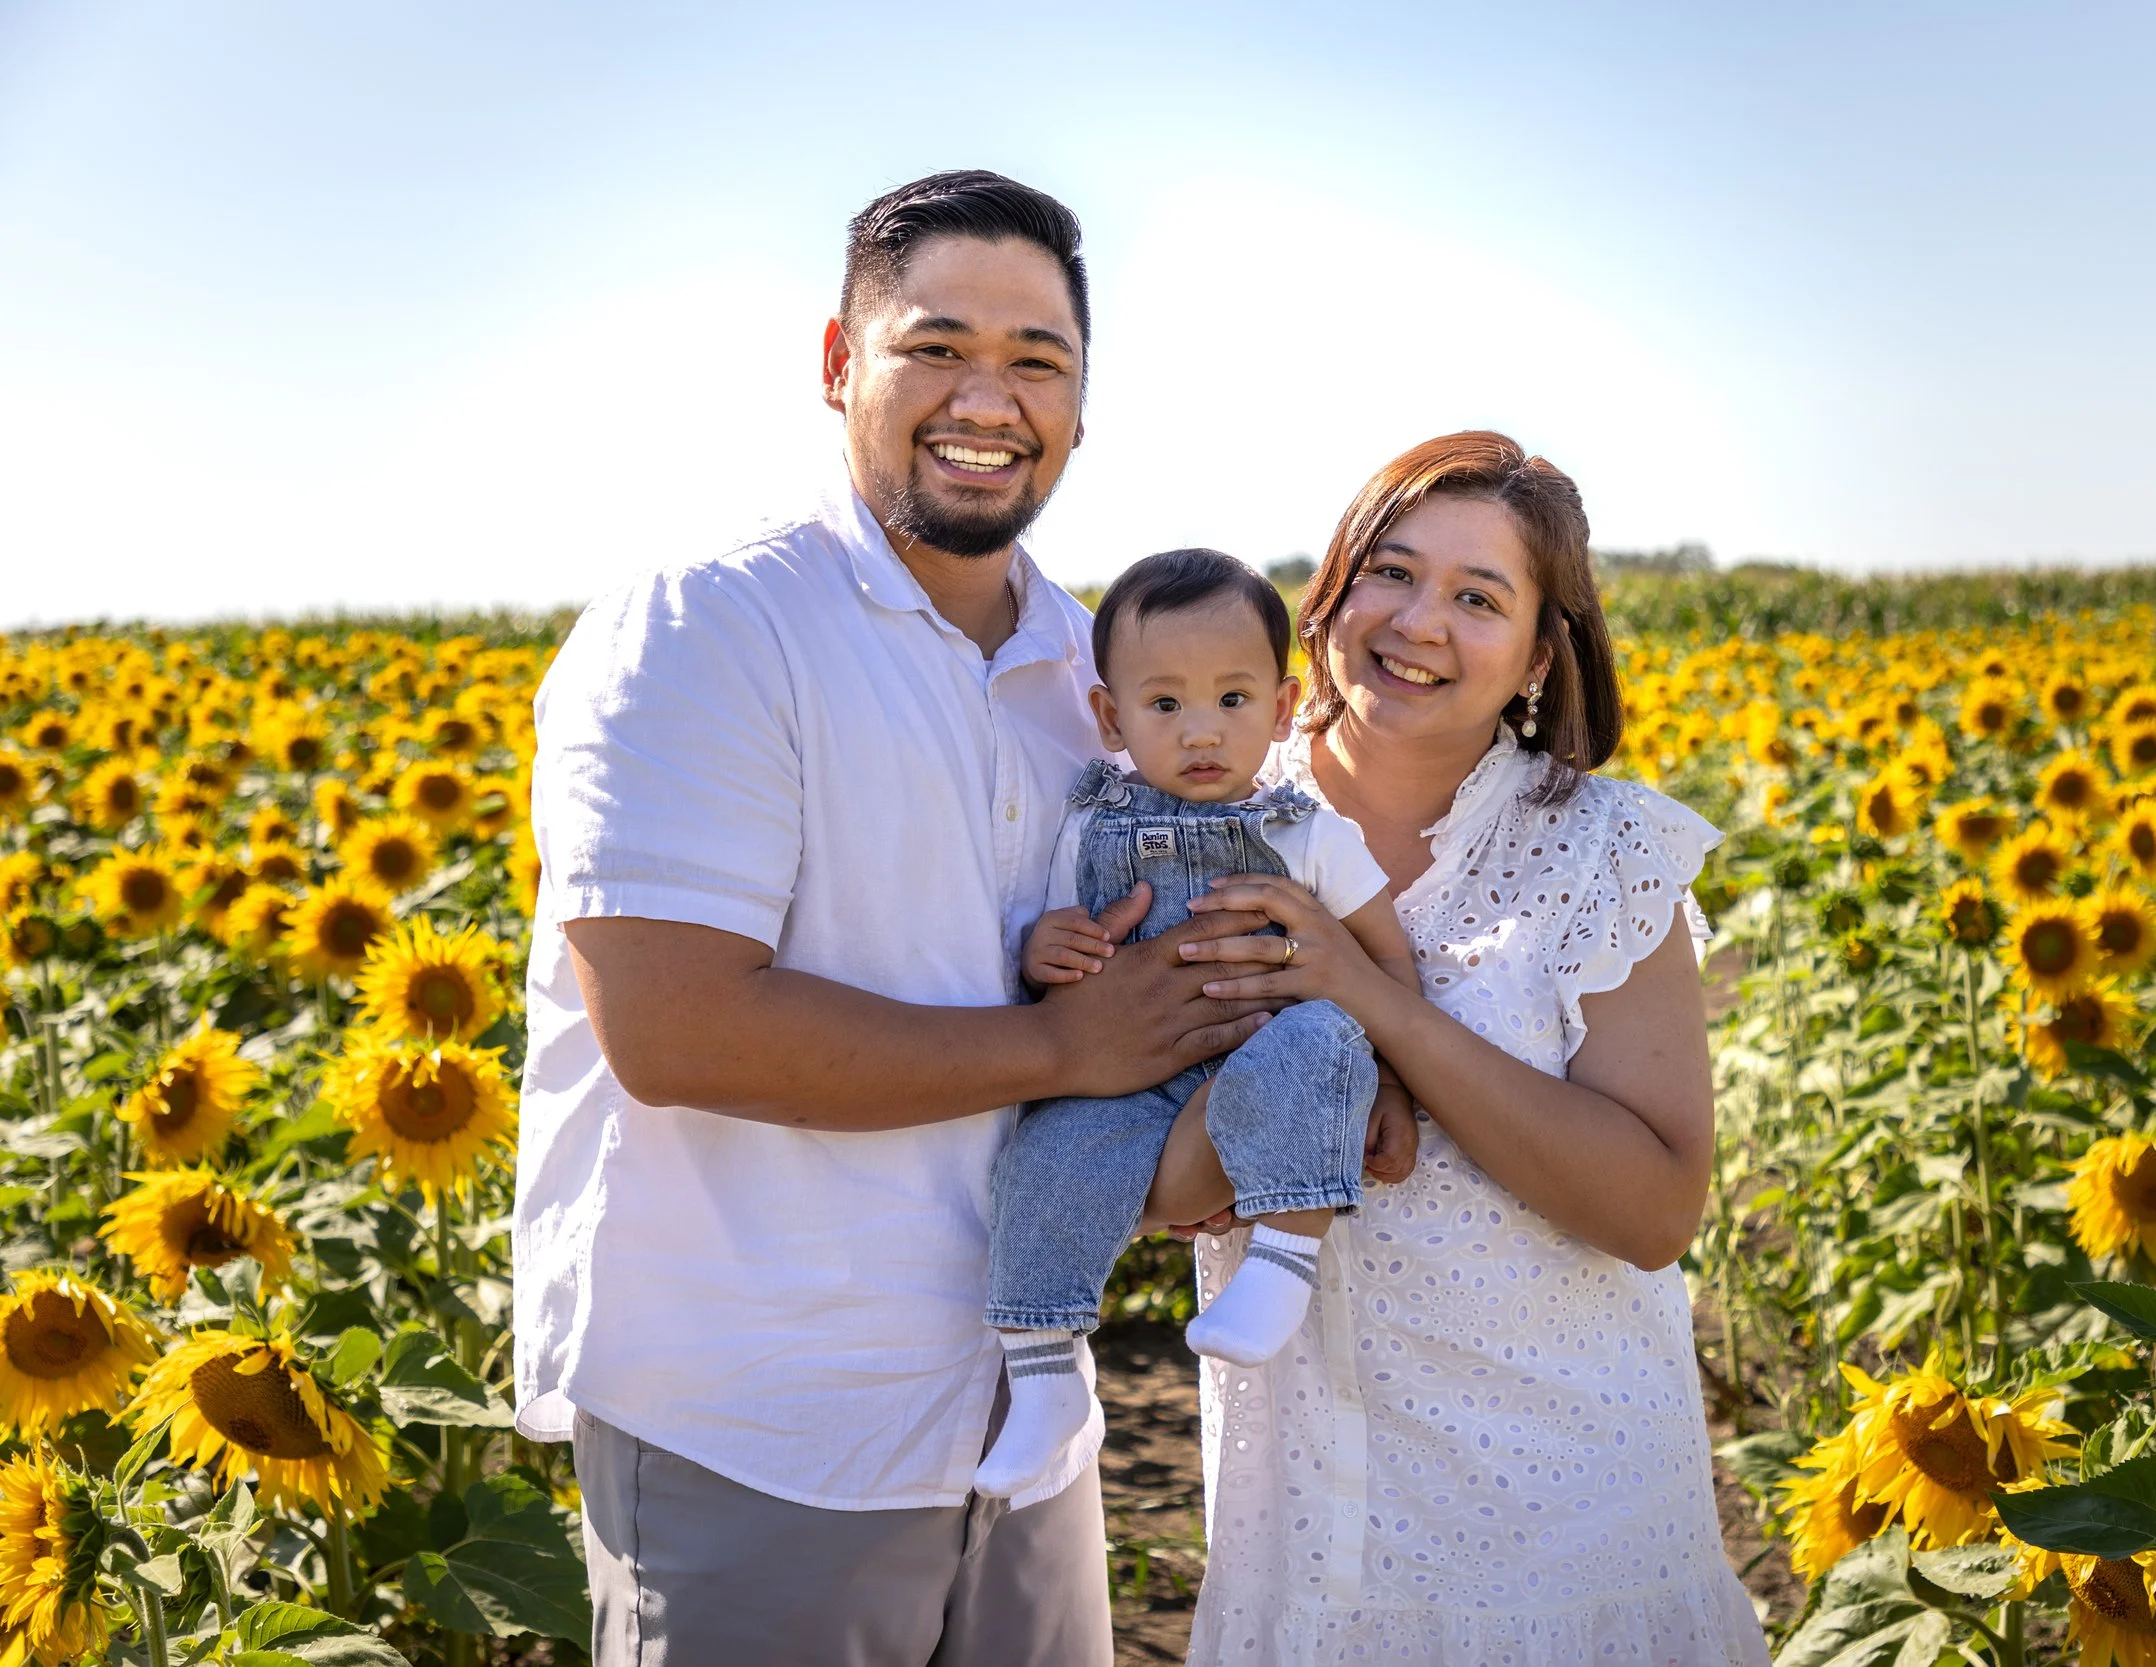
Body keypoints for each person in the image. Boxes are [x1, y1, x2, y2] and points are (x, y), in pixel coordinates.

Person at [514, 170, 1365, 1667]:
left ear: (1084, 407)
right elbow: (675, 1027)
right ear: (840, 363)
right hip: (766, 1418)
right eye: (936, 346)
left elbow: (1154, 990)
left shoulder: (1094, 675)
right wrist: (1069, 1045)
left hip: (1021, 1413)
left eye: (1039, 360)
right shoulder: (708, 627)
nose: (991, 395)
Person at [1153, 433, 1774, 1665]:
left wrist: (1374, 1001)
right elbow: (1152, 1186)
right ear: (1330, 585)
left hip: (1568, 1526)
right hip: (1309, 1523)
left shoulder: (1603, 847)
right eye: (1391, 570)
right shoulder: (1194, 818)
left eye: (1478, 596)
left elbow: (1653, 1208)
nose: (1418, 621)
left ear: (1540, 654)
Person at [976, 547, 1425, 1501]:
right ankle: (1044, 1373)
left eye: (1232, 699)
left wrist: (1389, 1078)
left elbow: (1385, 957)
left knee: (1322, 1042)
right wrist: (1041, 949)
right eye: (1166, 704)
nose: (1202, 731)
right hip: (1126, 1081)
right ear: (1110, 717)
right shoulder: (1086, 824)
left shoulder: (1304, 831)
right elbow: (1059, 931)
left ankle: (1284, 1256)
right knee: (1044, 1153)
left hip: (1267, 1056)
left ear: (1282, 704)